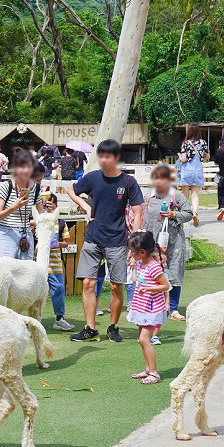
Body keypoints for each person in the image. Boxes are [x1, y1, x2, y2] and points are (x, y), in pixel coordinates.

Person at [66, 139, 144, 343]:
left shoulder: (128, 182)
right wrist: (85, 206)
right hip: (92, 239)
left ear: (116, 158)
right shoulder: (92, 178)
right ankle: (90, 329)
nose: (103, 160)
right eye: (100, 156)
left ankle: (113, 326)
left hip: (118, 241)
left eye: (107, 156)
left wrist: (134, 245)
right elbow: (70, 190)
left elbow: (138, 213)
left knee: (117, 286)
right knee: (88, 283)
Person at [142, 164, 193, 321]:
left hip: (174, 241)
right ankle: (155, 307)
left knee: (174, 273)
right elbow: (144, 219)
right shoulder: (149, 197)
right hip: (154, 243)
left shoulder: (177, 196)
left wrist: (174, 214)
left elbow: (189, 213)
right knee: (154, 273)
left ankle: (174, 309)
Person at [126, 231, 168, 384]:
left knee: (144, 339)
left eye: (132, 251)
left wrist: (149, 288)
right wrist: (133, 268)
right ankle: (148, 369)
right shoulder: (141, 264)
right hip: (141, 307)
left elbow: (165, 285)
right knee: (142, 340)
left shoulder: (153, 267)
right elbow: (137, 281)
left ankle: (154, 373)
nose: (130, 253)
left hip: (151, 309)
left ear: (143, 252)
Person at [0, 149, 45, 261]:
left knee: (26, 273)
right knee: (5, 271)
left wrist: (47, 216)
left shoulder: (35, 188)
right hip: (6, 233)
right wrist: (14, 207)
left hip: (26, 234)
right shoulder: (6, 187)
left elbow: (42, 216)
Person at [42, 193, 72, 331]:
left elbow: (66, 243)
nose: (49, 206)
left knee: (59, 288)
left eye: (51, 204)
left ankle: (60, 318)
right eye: (46, 204)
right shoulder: (37, 220)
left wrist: (56, 244)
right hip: (38, 262)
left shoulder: (61, 222)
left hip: (55, 263)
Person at [176, 124, 209, 227]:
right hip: (197, 170)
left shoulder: (185, 143)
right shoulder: (203, 142)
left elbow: (184, 159)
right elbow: (207, 156)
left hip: (187, 170)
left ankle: (184, 219)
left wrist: (180, 157)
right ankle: (195, 212)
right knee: (195, 195)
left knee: (185, 195)